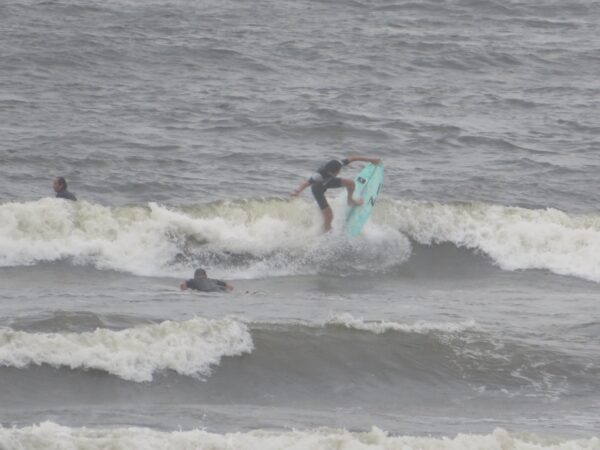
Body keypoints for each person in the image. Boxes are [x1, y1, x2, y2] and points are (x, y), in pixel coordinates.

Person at [291, 156, 381, 231]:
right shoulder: (318, 176)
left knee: (351, 183)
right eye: (335, 172)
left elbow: (354, 158)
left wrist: (371, 160)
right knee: (329, 216)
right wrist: (297, 191)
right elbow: (306, 183)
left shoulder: (338, 164)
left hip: (328, 182)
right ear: (331, 172)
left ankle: (350, 200)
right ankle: (326, 232)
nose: (337, 173)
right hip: (318, 189)